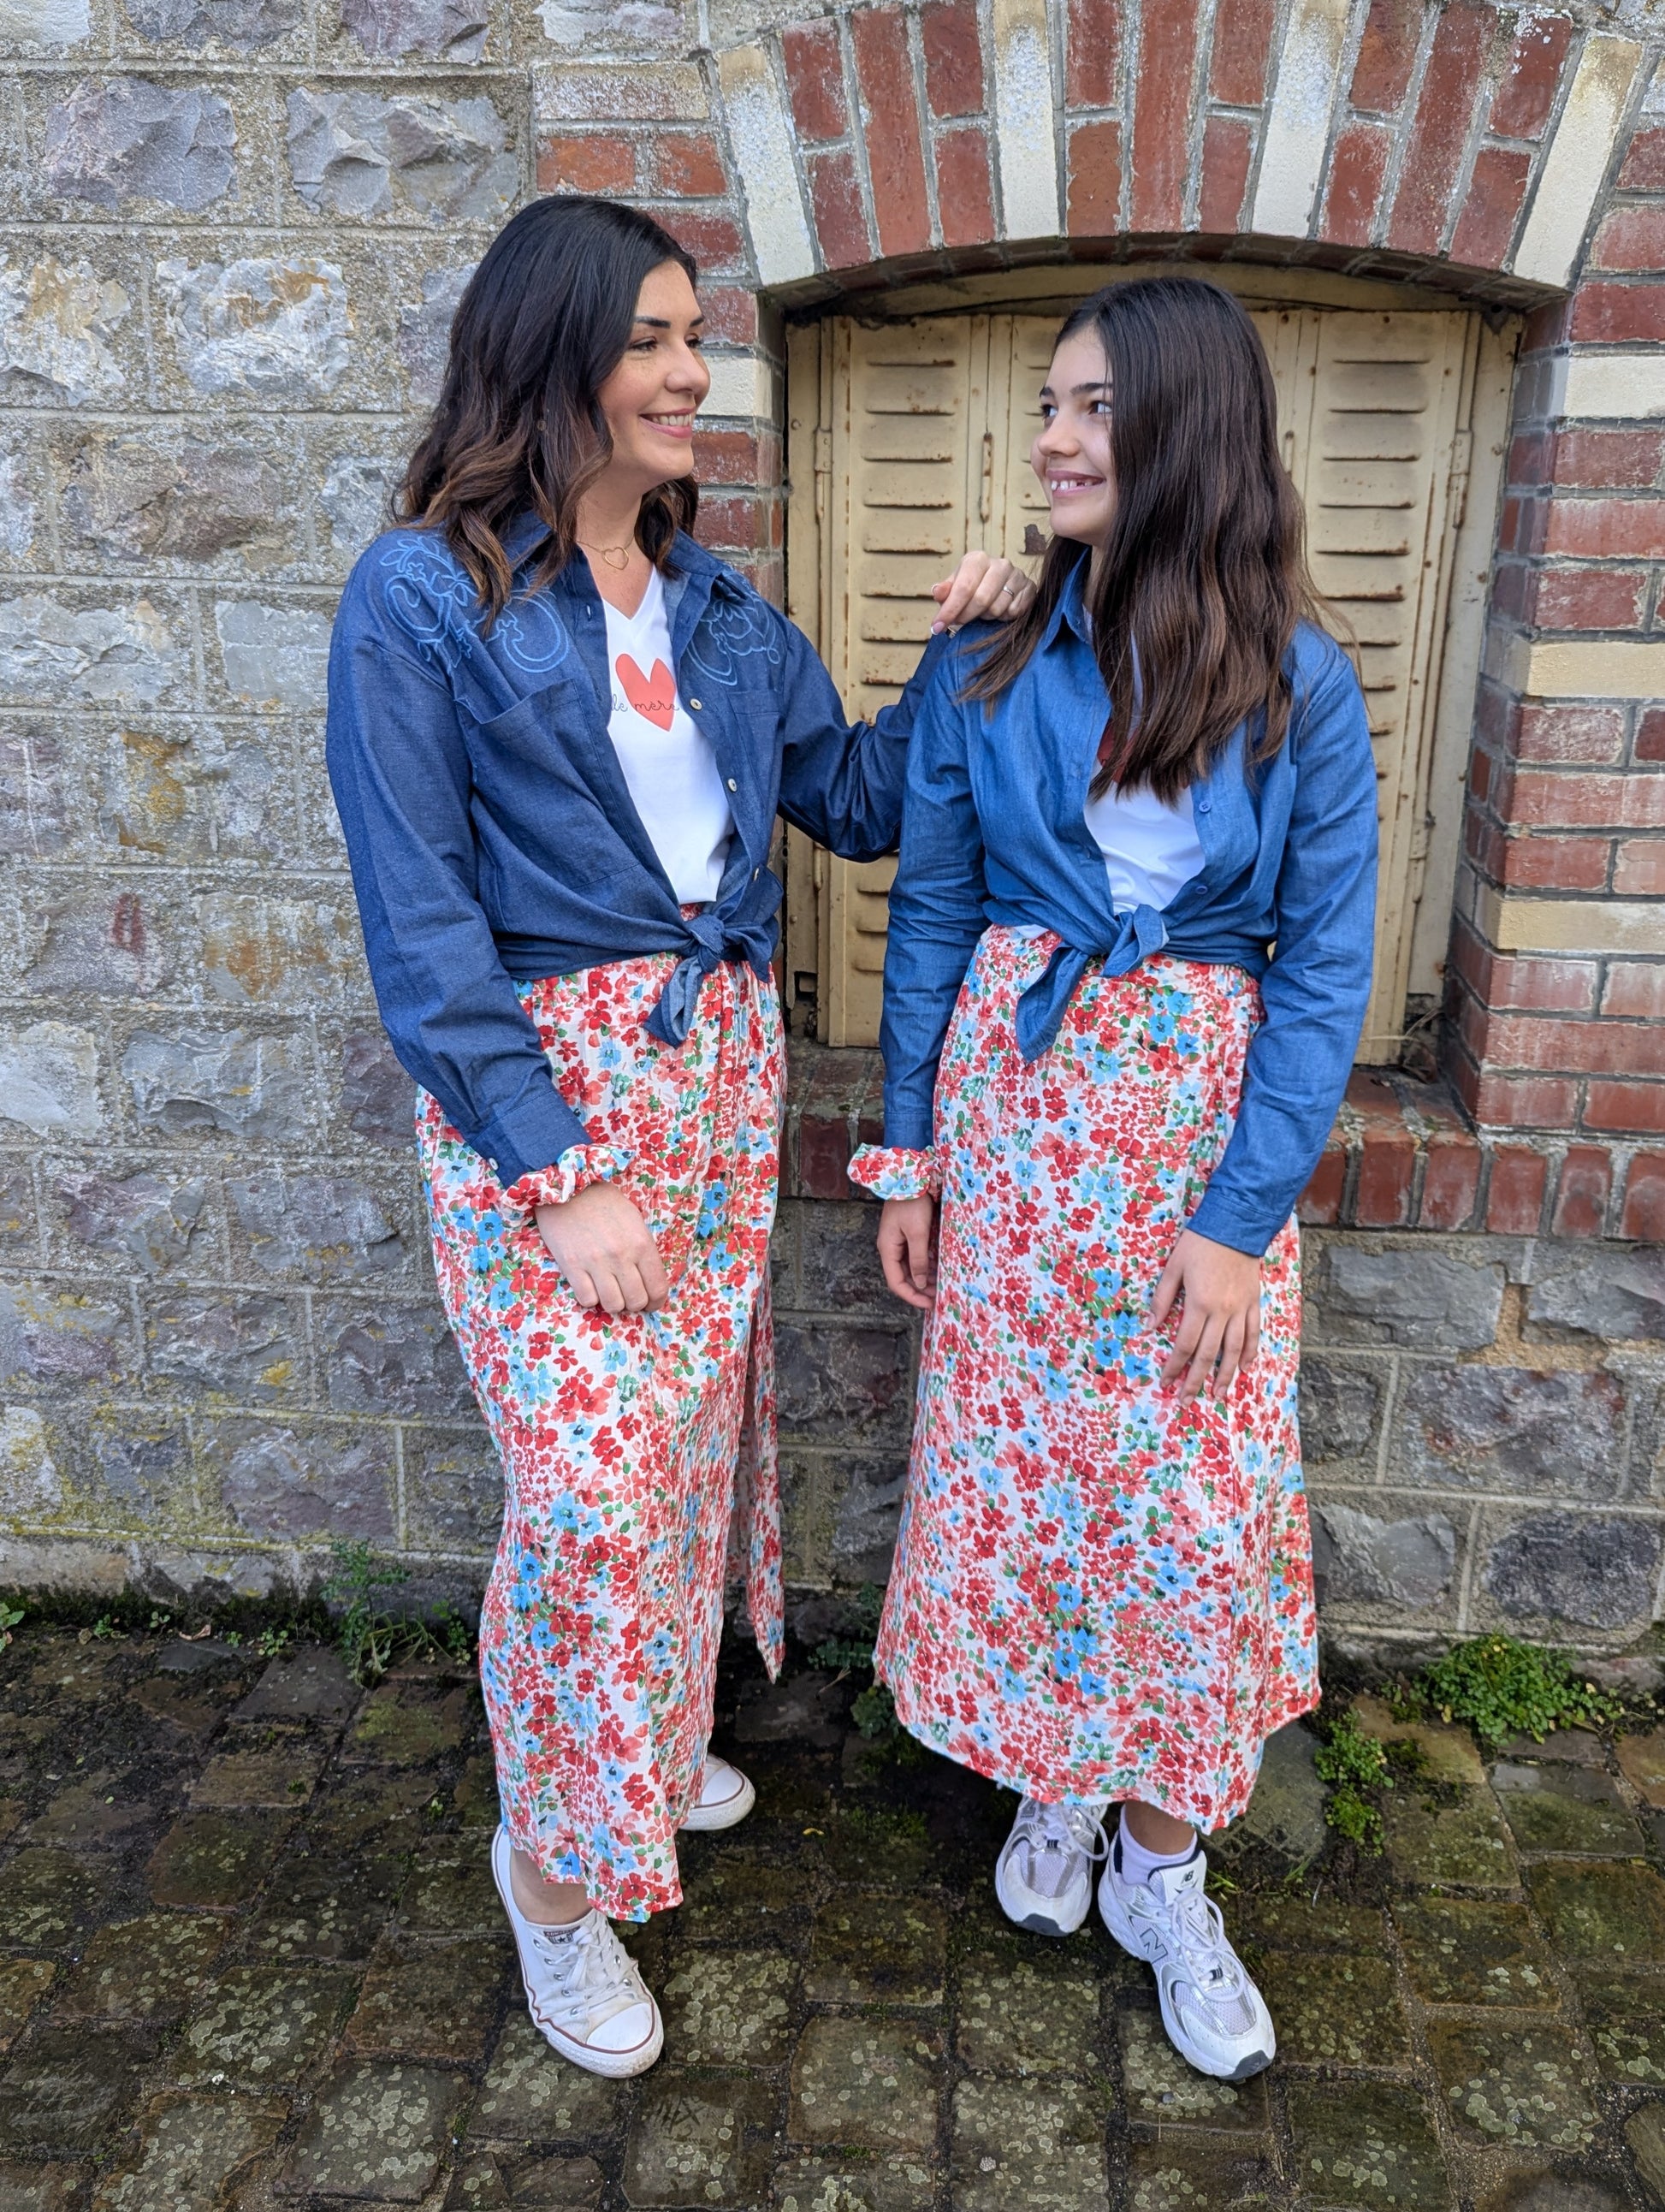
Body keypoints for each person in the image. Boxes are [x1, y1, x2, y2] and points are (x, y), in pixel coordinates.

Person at [325, 193, 1034, 2079]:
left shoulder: (719, 611)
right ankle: (552, 1877)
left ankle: (638, 1757)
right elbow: (422, 928)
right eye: (651, 336)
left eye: (694, 336)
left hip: (714, 1084)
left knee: (687, 1454)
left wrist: (970, 650)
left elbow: (858, 800)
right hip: (541, 1107)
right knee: (589, 1495)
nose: (690, 370)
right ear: (550, 351)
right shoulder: (423, 596)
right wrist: (557, 1172)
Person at [850, 276, 1378, 2083]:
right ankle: (1055, 1790)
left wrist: (1236, 1227)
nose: (1056, 439)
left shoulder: (1302, 680)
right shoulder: (989, 655)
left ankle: (1166, 1865)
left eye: (1093, 410)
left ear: (1185, 436)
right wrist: (909, 1149)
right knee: (1027, 1491)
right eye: (1050, 408)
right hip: (1016, 1139)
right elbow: (930, 904)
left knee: (1186, 1519)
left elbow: (1321, 967)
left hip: (1190, 1167)